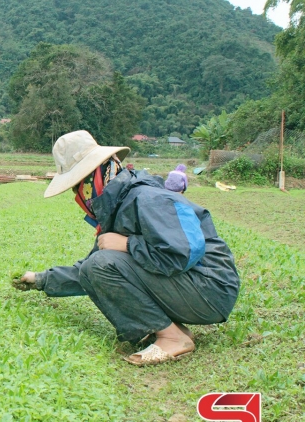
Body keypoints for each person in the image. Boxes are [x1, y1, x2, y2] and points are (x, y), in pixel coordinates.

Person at [13, 131, 240, 366]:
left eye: (78, 186)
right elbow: (92, 272)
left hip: (210, 290)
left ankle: (172, 338)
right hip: (192, 287)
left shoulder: (147, 197)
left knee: (100, 264)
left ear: (95, 177)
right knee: (97, 265)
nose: (79, 195)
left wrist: (128, 244)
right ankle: (173, 330)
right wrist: (41, 280)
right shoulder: (119, 205)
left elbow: (181, 255)